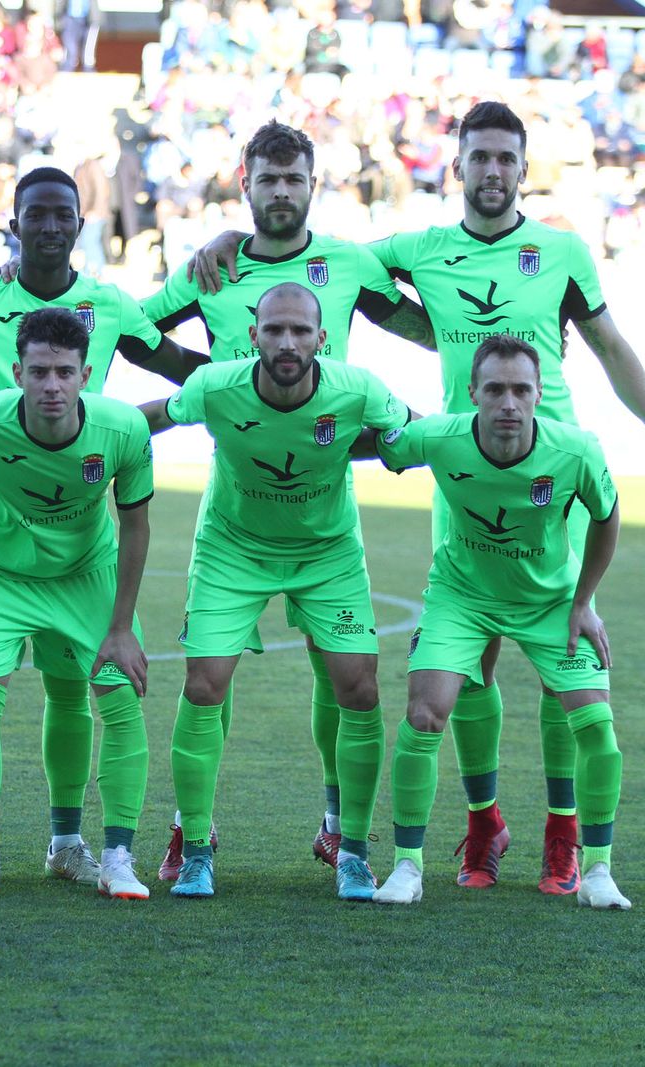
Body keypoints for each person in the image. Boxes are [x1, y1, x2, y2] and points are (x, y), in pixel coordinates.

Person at [366, 101, 645, 894]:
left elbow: (610, 345)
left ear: (522, 167)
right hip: (466, 464)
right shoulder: (422, 248)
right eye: (479, 157)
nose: (493, 170)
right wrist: (232, 243)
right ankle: (483, 822)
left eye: (507, 157)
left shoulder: (560, 250)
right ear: (458, 167)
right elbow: (335, 271)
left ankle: (564, 832)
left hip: (556, 473)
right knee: (470, 659)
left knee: (558, 662)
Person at [0, 165, 200, 886]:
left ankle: (68, 841)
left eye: (63, 214)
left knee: (69, 683)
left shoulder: (108, 303)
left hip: (81, 496)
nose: (49, 226)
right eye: (35, 214)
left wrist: (263, 377)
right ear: (13, 224)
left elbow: (178, 364)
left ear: (80, 225)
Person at [152, 119, 435, 881]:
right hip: (236, 521)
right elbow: (136, 329)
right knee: (207, 680)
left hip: (323, 522)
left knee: (346, 678)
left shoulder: (348, 263)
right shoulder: (210, 269)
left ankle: (343, 831)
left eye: (294, 179)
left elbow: (421, 323)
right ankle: (191, 830)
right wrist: (202, 383)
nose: (281, 192)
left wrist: (501, 343)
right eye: (267, 179)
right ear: (244, 184)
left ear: (314, 185)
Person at [140, 282, 412, 901]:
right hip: (232, 547)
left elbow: (413, 434)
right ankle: (198, 850)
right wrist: (81, 434)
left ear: (322, 338)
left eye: (299, 331)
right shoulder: (216, 386)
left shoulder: (358, 389)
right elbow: (156, 415)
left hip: (327, 552)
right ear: (253, 335)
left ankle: (352, 852)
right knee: (203, 683)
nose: (286, 342)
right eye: (274, 330)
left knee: (359, 686)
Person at [371, 335, 630, 910]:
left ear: (539, 395)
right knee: (422, 715)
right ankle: (407, 866)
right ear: (474, 394)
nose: (508, 403)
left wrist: (584, 600)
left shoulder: (576, 451)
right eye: (495, 389)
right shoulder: (439, 436)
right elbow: (383, 445)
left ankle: (596, 868)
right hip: (462, 595)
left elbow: (608, 518)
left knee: (596, 727)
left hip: (549, 601)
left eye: (520, 389)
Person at [0, 308, 155, 901]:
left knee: (119, 698)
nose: (51, 385)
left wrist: (122, 626)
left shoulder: (123, 429)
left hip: (86, 576)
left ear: (86, 374)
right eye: (38, 372)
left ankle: (111, 855)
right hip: (1, 575)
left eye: (63, 372)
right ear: (17, 373)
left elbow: (135, 527)